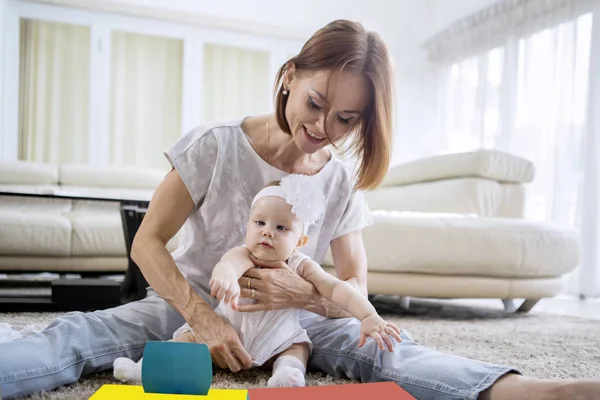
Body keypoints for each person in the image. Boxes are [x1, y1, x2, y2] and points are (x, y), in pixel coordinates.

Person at [0, 19, 598, 400]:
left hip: (297, 320)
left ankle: (529, 392)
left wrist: (303, 298)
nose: (322, 128)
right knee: (79, 337)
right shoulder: (215, 144)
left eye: (346, 119)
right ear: (289, 76)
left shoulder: (338, 179)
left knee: (387, 347)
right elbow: (147, 243)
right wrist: (203, 319)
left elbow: (356, 281)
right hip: (195, 300)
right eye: (316, 103)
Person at [111, 175, 402, 387]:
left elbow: (337, 289)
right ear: (248, 225)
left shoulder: (301, 265)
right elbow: (229, 265)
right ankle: (143, 370)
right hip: (226, 333)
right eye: (259, 223)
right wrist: (225, 277)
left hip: (278, 339)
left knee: (299, 347)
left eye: (281, 227)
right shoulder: (244, 254)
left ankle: (287, 374)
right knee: (187, 338)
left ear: (299, 241)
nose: (267, 232)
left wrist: (368, 316)